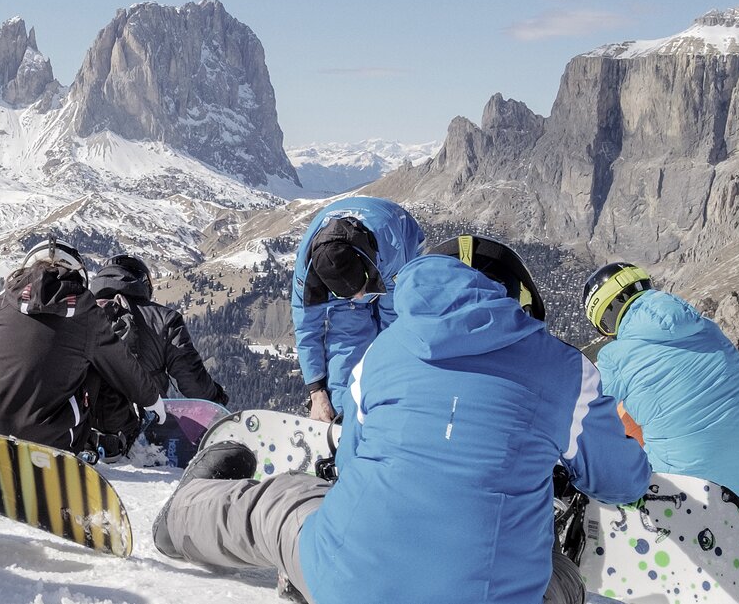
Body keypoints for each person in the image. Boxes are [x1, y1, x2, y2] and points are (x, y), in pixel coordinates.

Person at [153, 247, 651, 604]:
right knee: (557, 571)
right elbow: (622, 482)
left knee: (281, 503)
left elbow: (349, 465)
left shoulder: (380, 353)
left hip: (345, 582)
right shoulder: (566, 370)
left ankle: (181, 518)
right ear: (514, 298)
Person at [0, 238, 168, 461]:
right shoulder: (87, 314)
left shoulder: (1, 303)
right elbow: (121, 365)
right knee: (96, 365)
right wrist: (152, 399)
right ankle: (99, 441)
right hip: (50, 442)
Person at [580, 260, 739, 505]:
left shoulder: (614, 357)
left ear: (607, 318)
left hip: (690, 493)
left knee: (621, 414)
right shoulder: (708, 328)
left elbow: (584, 416)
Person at [291, 196, 424, 425]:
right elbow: (307, 328)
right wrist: (316, 390)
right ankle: (342, 418)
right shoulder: (306, 275)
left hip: (399, 246)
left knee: (393, 349)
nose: (361, 297)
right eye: (350, 294)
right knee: (346, 343)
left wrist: (387, 368)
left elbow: (393, 323)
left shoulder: (391, 248)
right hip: (360, 273)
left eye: (361, 288)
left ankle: (389, 413)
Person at [88, 254, 229, 405]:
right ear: (143, 281)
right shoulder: (165, 318)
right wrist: (217, 400)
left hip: (86, 416)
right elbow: (192, 379)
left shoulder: (79, 315)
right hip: (148, 414)